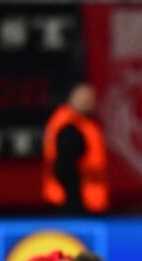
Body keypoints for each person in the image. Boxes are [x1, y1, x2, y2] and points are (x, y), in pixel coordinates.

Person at [41, 83, 110, 214]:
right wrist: (75, 201)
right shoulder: (70, 129)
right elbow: (62, 168)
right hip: (72, 206)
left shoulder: (84, 125)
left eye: (91, 98)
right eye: (83, 98)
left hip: (85, 203)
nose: (88, 102)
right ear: (71, 98)